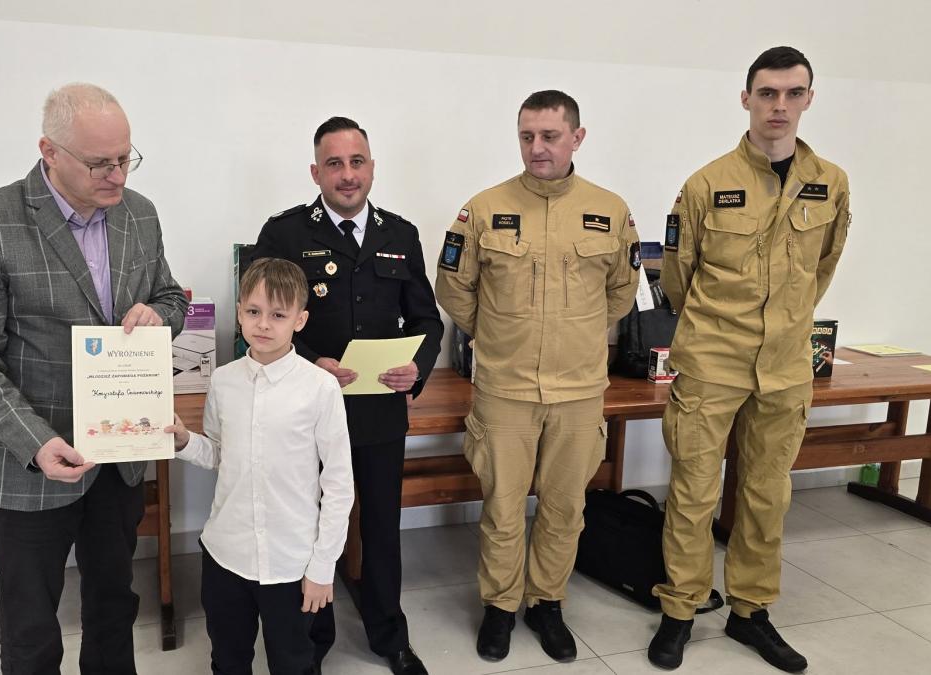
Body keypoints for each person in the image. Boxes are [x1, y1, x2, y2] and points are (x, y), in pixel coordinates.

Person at [0, 82, 188, 674]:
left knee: (114, 608)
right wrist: (35, 442)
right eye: (100, 163)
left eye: (125, 158)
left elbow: (171, 297)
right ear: (49, 151)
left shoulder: (139, 214)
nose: (117, 176)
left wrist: (160, 315)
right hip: (31, 461)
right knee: (30, 627)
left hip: (119, 456)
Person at [648, 46, 850, 673]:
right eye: (767, 93)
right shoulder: (706, 184)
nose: (779, 106)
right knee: (693, 493)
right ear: (746, 99)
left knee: (767, 494)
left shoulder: (831, 182)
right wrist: (720, 327)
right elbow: (677, 278)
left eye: (793, 93)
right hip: (712, 360)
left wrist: (786, 323)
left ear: (809, 99)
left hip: (785, 366)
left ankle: (750, 611)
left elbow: (822, 266)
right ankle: (680, 609)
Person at [435, 90, 639, 664]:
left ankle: (546, 603)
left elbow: (622, 292)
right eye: (527, 136)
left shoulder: (610, 210)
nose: (537, 147)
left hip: (579, 391)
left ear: (577, 137)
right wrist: (499, 336)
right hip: (505, 390)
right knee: (502, 509)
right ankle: (500, 606)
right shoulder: (484, 208)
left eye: (550, 136)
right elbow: (454, 288)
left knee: (564, 509)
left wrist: (578, 334)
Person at [252, 116, 444, 675]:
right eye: (334, 163)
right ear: (316, 173)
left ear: (372, 167)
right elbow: (260, 324)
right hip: (306, 410)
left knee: (381, 528)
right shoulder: (285, 235)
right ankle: (310, 643)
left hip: (379, 410)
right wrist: (312, 361)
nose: (347, 174)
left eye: (357, 162)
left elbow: (427, 320)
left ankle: (390, 636)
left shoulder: (399, 234)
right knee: (309, 528)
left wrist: (418, 368)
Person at [167, 257, 354, 675]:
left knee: (294, 661)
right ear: (239, 313)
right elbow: (220, 454)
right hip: (226, 554)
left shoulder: (320, 387)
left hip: (292, 561)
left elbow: (339, 485)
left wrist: (323, 567)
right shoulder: (223, 381)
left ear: (300, 320)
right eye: (254, 311)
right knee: (228, 658)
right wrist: (184, 442)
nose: (264, 324)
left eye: (278, 315)